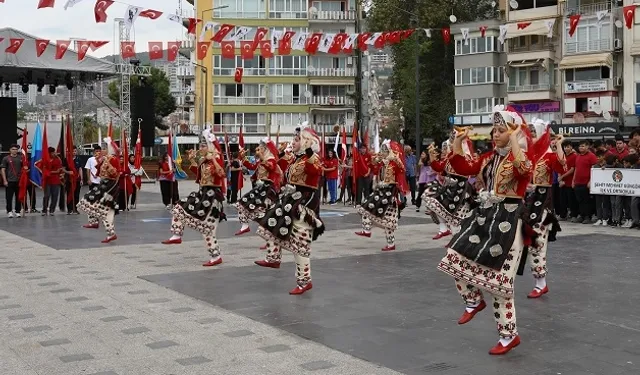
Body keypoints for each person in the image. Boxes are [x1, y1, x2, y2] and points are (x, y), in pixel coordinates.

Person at [437, 107, 533, 355]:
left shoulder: (518, 156)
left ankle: (508, 336)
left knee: (500, 284)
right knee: (455, 254)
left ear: (513, 132)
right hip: (485, 215)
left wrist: (514, 138)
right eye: (495, 130)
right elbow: (463, 167)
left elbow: (524, 170)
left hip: (510, 221)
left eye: (502, 131)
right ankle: (473, 300)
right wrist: (458, 142)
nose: (496, 135)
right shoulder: (490, 158)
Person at [253, 126, 325, 295]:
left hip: (305, 205)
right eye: (295, 138)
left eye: (298, 139)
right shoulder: (296, 159)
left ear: (308, 142)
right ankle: (273, 258)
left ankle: (304, 281)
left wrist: (308, 151)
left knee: (300, 247)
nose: (294, 141)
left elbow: (313, 171)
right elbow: (282, 173)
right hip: (290, 200)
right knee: (271, 226)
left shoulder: (312, 158)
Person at [161, 129, 227, 267]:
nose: (200, 148)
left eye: (203, 146)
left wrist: (213, 159)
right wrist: (192, 159)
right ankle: (177, 235)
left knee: (208, 231)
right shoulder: (204, 162)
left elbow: (221, 174)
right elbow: (199, 174)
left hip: (212, 198)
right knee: (178, 208)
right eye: (201, 146)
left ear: (210, 147)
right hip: (202, 195)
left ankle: (216, 256)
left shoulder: (217, 159)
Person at [522, 119, 565, 299]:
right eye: (530, 130)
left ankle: (541, 283)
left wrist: (559, 146)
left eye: (534, 130)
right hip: (527, 200)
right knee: (523, 239)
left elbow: (562, 166)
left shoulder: (548, 155)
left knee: (536, 241)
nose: (531, 133)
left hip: (542, 202)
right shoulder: (527, 152)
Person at [354, 140, 408, 251]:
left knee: (389, 221)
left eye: (384, 150)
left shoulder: (393, 162)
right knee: (365, 207)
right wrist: (377, 157)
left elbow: (402, 169)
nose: (382, 152)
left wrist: (396, 159)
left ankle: (390, 244)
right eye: (382, 150)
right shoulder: (383, 162)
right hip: (381, 190)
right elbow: (373, 162)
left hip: (390, 191)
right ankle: (367, 230)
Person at [422, 132, 477, 240]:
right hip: (450, 188)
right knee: (434, 205)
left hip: (462, 190)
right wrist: (432, 156)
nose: (451, 145)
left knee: (457, 219)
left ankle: (456, 241)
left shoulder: (466, 157)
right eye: (451, 143)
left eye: (454, 143)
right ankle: (444, 230)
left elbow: (470, 171)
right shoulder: (449, 157)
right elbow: (439, 168)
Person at [234, 138, 282, 236]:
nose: (257, 151)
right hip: (260, 189)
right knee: (241, 204)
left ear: (265, 149)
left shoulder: (271, 159)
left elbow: (271, 167)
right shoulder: (260, 160)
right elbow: (252, 167)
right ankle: (245, 226)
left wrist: (262, 158)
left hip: (268, 190)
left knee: (266, 213)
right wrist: (243, 159)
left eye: (259, 149)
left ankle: (271, 238)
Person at [77, 138, 121, 243]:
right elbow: (98, 171)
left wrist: (106, 162)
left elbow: (115, 173)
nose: (103, 150)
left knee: (100, 206)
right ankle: (107, 231)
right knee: (104, 209)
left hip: (110, 185)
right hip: (104, 184)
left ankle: (104, 229)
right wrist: (100, 160)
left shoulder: (114, 160)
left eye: (106, 148)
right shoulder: (105, 159)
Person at [572, 140, 598, 224]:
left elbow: (594, 169)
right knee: (579, 200)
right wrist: (573, 180)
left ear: (587, 147)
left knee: (587, 200)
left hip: (586, 182)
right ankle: (581, 215)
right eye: (580, 146)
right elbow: (576, 169)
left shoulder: (592, 156)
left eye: (583, 146)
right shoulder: (578, 156)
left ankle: (588, 216)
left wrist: (591, 181)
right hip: (577, 182)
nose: (581, 148)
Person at [1, 144, 25, 217]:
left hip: (19, 181)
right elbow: (2, 170)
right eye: (13, 149)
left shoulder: (21, 158)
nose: (15, 150)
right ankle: (9, 211)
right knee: (9, 197)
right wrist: (5, 180)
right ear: (10, 150)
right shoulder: (6, 158)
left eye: (16, 149)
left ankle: (17, 211)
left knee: (18, 197)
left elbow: (24, 168)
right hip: (10, 181)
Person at [42, 147, 64, 216]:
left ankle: (52, 210)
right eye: (52, 152)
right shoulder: (45, 160)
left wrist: (52, 172)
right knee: (47, 195)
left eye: (54, 152)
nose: (54, 153)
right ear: (49, 153)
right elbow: (44, 171)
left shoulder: (57, 160)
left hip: (55, 180)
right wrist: (54, 171)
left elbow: (59, 170)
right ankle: (44, 210)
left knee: (55, 196)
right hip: (47, 180)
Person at [65, 148, 83, 215]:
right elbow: (63, 169)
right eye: (72, 151)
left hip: (77, 180)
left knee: (76, 195)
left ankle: (75, 209)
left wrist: (81, 179)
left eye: (75, 151)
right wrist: (68, 172)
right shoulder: (66, 159)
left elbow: (80, 169)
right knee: (69, 194)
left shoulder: (79, 159)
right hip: (69, 180)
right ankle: (69, 209)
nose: (74, 152)